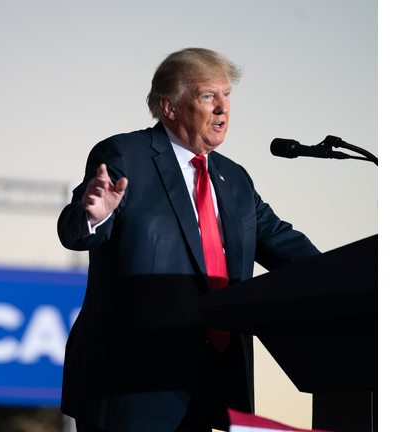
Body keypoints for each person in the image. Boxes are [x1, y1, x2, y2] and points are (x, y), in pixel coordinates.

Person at [57, 48, 320, 432]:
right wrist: (93, 216)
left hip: (210, 383)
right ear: (169, 107)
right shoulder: (126, 156)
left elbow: (284, 244)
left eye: (227, 95)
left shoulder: (235, 179)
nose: (222, 108)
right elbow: (74, 229)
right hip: (131, 382)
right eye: (207, 96)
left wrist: (359, 276)